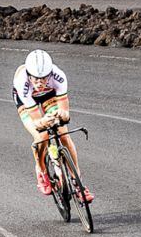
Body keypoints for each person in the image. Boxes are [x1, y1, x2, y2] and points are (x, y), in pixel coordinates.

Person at [12, 49, 93, 202]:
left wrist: (61, 116)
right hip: (27, 101)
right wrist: (44, 121)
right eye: (35, 79)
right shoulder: (21, 82)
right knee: (42, 134)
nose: (39, 83)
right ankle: (41, 170)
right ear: (29, 75)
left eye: (43, 79)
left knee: (63, 133)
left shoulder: (59, 77)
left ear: (49, 74)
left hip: (50, 96)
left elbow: (65, 112)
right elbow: (37, 121)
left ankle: (78, 183)